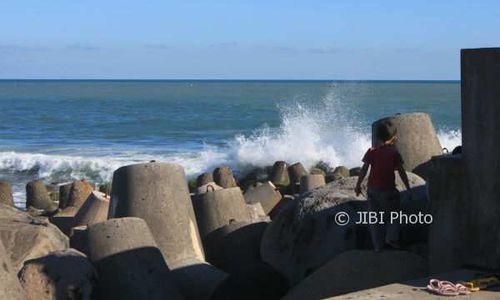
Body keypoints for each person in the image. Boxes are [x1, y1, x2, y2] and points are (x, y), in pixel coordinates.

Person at [355, 120, 411, 252]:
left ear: (378, 137)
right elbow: (401, 172)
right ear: (393, 138)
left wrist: (358, 184)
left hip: (372, 190)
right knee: (393, 214)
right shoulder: (394, 154)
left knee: (374, 218)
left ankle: (377, 245)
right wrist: (408, 187)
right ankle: (391, 238)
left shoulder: (371, 152)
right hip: (388, 190)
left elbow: (364, 169)